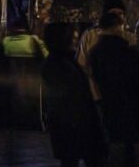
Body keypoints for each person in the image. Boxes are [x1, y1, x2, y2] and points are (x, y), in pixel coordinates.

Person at [90, 11, 139, 166]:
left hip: (113, 112)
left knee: (118, 152)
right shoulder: (127, 54)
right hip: (138, 114)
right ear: (117, 27)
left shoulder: (95, 53)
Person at [40, 23, 106, 167]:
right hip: (74, 124)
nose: (75, 40)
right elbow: (70, 95)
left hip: (72, 124)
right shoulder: (61, 64)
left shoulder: (63, 61)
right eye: (72, 38)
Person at [77, 0, 132, 98]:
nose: (117, 17)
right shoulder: (90, 35)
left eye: (120, 13)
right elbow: (82, 63)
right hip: (97, 93)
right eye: (113, 14)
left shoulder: (129, 36)